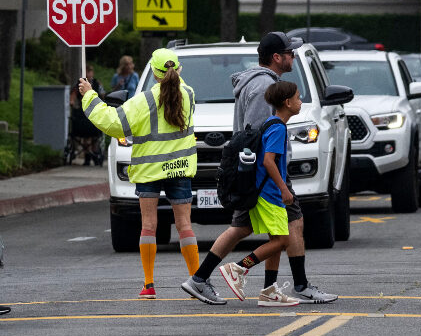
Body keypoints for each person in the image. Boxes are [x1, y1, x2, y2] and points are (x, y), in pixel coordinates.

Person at [181, 31, 338, 305]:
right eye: (289, 53)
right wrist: (271, 181)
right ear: (277, 58)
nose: (293, 57)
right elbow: (255, 138)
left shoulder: (262, 83)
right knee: (292, 224)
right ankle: (295, 284)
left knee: (248, 228)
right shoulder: (263, 89)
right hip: (264, 176)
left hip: (260, 175)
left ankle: (249, 286)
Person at [79, 48, 201, 300]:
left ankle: (149, 285)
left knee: (148, 225)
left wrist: (89, 96)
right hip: (179, 169)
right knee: (185, 226)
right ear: (179, 70)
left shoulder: (143, 101)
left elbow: (113, 123)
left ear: (154, 74)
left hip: (149, 171)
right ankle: (196, 282)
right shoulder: (189, 94)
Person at [215, 81, 302, 306]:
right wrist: (284, 188)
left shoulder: (272, 123)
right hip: (270, 194)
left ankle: (269, 292)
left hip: (264, 192)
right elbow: (268, 161)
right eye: (298, 97)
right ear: (288, 102)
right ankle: (238, 268)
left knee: (275, 238)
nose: (300, 102)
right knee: (283, 240)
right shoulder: (278, 127)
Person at [69, 65, 105, 165]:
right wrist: (72, 101)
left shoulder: (97, 84)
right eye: (86, 72)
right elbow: (73, 95)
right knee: (85, 135)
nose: (88, 74)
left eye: (90, 72)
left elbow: (102, 95)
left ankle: (95, 153)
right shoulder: (79, 85)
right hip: (83, 112)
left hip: (95, 110)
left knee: (94, 135)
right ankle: (87, 156)